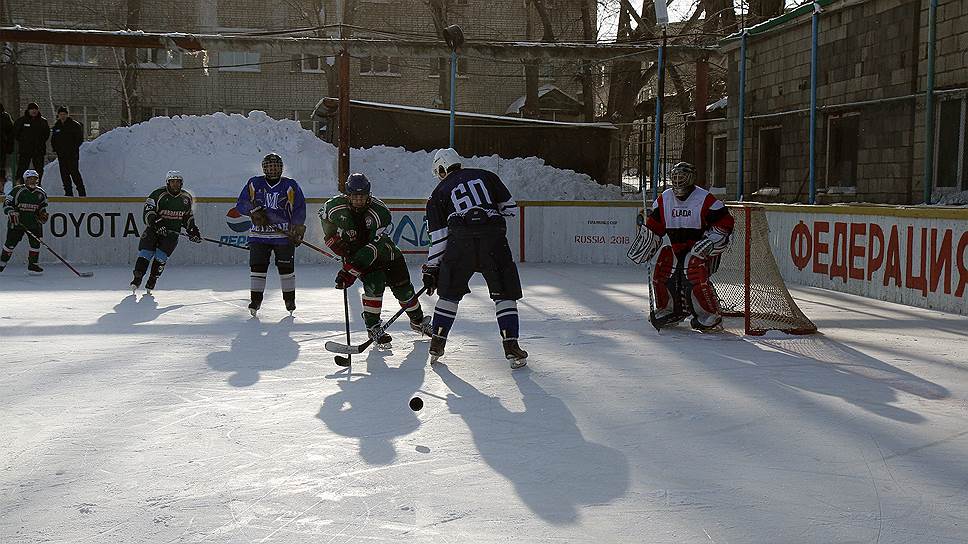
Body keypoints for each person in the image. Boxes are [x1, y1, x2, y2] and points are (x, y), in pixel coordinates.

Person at [421, 148, 528, 369]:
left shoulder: (437, 194)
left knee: (449, 294)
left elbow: (439, 239)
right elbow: (510, 209)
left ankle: (437, 343)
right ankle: (511, 347)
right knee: (505, 294)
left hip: (460, 245)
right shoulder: (487, 175)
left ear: (441, 169)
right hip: (493, 241)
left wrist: (432, 269)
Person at [321, 172, 433, 346]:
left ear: (369, 195)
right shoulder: (334, 207)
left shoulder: (381, 213)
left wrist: (350, 271)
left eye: (362, 196)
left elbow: (374, 247)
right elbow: (325, 219)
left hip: (387, 254)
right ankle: (373, 327)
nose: (358, 200)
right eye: (354, 196)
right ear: (347, 195)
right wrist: (332, 240)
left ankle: (418, 321)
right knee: (375, 285)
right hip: (360, 255)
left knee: (404, 290)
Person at [627, 161, 735, 331]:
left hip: (702, 250)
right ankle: (669, 309)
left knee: (692, 267)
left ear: (691, 178)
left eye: (682, 178)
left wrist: (712, 240)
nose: (678, 182)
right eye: (675, 178)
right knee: (664, 262)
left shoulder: (705, 198)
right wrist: (648, 239)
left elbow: (725, 222)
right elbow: (656, 225)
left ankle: (709, 314)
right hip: (678, 247)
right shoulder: (665, 198)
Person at [234, 153, 307, 317]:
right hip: (259, 236)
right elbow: (241, 204)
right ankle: (255, 300)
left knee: (286, 269)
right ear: (264, 168)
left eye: (276, 166)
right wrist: (253, 211)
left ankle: (289, 300)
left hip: (283, 236)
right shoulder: (254, 183)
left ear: (281, 168)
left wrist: (298, 227)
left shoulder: (290, 185)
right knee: (257, 268)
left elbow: (299, 208)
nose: (273, 169)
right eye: (269, 166)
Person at [130, 171, 201, 293]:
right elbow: (147, 213)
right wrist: (157, 222)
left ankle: (152, 281)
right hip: (153, 231)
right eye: (172, 182)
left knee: (161, 258)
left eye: (178, 182)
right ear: (167, 183)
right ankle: (137, 279)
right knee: (145, 253)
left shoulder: (186, 198)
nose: (175, 185)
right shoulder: (157, 194)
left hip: (171, 234)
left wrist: (192, 230)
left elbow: (187, 217)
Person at [1, 170, 48, 274]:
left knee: (36, 243)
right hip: (17, 223)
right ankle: (2, 262)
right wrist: (11, 212)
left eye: (35, 179)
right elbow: (7, 203)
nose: (32, 181)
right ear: (25, 180)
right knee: (10, 244)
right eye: (30, 179)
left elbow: (42, 207)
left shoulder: (41, 193)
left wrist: (43, 214)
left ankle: (33, 265)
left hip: (33, 223)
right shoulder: (17, 190)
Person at [50, 106, 86, 197]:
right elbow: (53, 140)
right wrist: (56, 149)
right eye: (60, 114)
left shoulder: (74, 125)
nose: (62, 116)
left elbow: (79, 139)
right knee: (64, 174)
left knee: (74, 173)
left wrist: (73, 149)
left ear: (67, 114)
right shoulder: (56, 127)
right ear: (58, 115)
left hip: (72, 154)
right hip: (61, 155)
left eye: (64, 114)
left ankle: (81, 192)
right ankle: (68, 193)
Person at [13, 102, 50, 183]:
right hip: (25, 150)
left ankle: (37, 185)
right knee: (22, 168)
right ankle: (21, 184)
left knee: (39, 169)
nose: (34, 111)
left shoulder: (43, 121)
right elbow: (16, 133)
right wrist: (24, 141)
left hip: (38, 150)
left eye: (35, 109)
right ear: (28, 110)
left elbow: (46, 134)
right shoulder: (21, 121)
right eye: (32, 109)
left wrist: (39, 142)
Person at [0, 103, 13, 193]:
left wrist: (9, 145)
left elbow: (11, 132)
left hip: (1, 147)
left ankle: (0, 188)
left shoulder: (5, 116)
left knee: (1, 168)